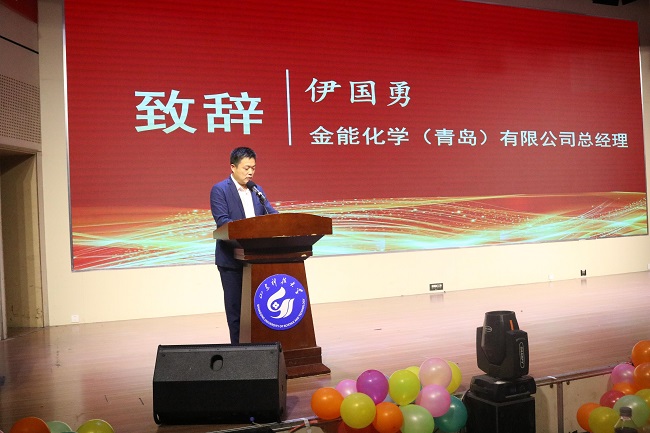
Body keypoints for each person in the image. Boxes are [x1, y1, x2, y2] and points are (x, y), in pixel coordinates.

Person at [210, 147, 278, 344]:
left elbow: (271, 214)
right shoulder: (220, 190)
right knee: (236, 311)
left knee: (258, 308)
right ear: (233, 167)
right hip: (232, 259)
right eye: (246, 168)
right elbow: (223, 221)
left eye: (253, 168)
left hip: (257, 259)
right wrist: (250, 231)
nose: (250, 172)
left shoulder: (257, 190)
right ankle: (239, 353)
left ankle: (260, 349)